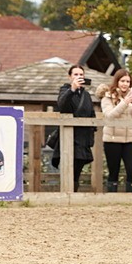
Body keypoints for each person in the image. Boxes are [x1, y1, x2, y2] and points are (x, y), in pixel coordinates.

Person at [97, 69, 132, 191]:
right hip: (112, 139)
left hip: (129, 139)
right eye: (122, 81)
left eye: (128, 81)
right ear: (117, 81)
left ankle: (131, 198)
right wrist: (125, 102)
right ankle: (113, 198)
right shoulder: (107, 97)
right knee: (113, 172)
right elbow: (109, 116)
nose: (125, 84)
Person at [54, 64, 97, 192]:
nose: (79, 77)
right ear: (70, 77)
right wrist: (72, 89)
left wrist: (92, 135)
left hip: (83, 138)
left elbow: (91, 114)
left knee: (77, 170)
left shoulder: (86, 95)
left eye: (81, 75)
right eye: (76, 74)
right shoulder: (65, 90)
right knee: (68, 168)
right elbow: (62, 105)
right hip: (69, 137)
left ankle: (73, 193)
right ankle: (66, 194)